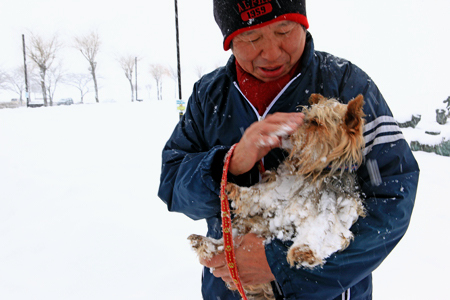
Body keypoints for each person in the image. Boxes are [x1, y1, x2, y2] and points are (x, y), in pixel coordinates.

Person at [158, 0, 420, 299]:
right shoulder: (209, 96)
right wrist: (230, 163)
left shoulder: (348, 84)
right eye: (252, 38)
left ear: (303, 24)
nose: (271, 53)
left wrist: (283, 264)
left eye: (284, 30)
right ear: (229, 41)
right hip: (231, 288)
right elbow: (173, 185)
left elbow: (393, 197)